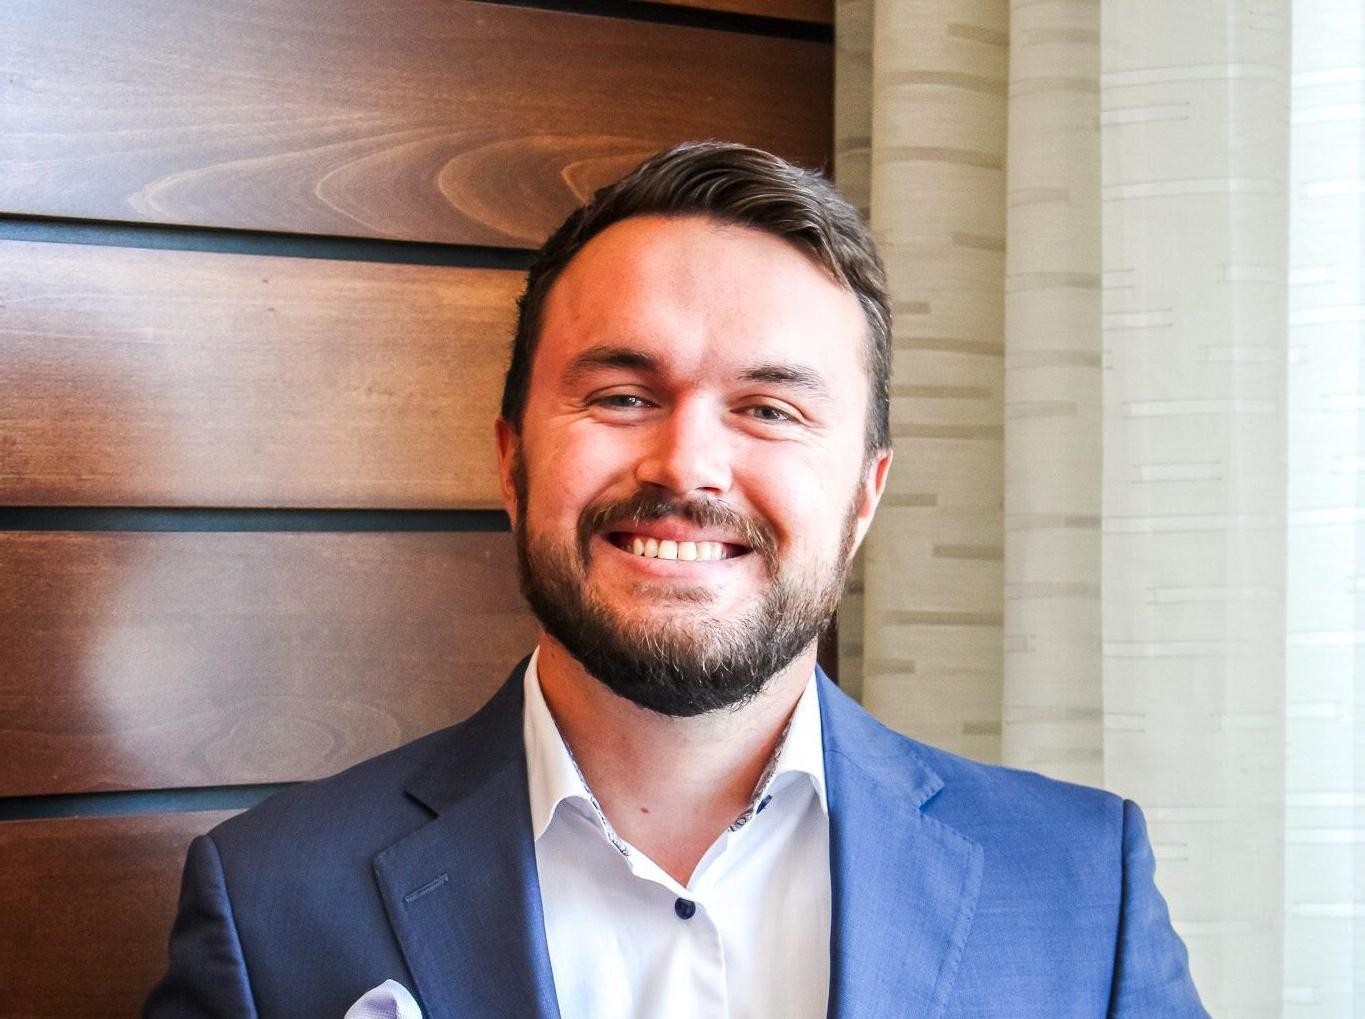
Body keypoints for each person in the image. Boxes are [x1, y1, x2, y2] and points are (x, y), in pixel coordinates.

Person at [144, 142, 1208, 1018]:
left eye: (770, 409)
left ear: (865, 497)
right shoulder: (270, 902)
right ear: (511, 461)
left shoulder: (1081, 888)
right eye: (619, 395)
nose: (687, 465)